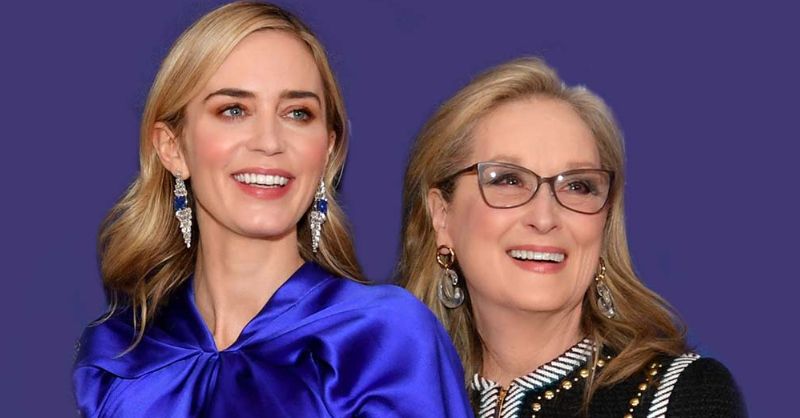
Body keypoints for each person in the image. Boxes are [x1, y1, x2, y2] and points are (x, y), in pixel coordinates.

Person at [73, 2, 471, 417]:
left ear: (328, 151)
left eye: (297, 113)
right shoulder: (119, 357)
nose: (269, 141)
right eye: (233, 110)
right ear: (172, 147)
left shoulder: (381, 339)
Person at [399, 57, 746, 417]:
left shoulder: (683, 397)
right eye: (508, 180)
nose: (545, 217)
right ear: (442, 215)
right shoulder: (381, 397)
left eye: (578, 186)